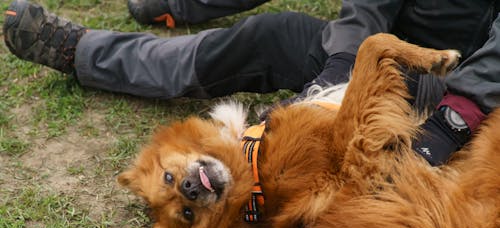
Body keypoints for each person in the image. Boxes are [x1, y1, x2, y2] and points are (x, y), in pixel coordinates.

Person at [4, 0, 500, 166]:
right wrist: (346, 60)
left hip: (471, 94)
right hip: (396, 49)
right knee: (272, 35)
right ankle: (86, 51)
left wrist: (456, 118)